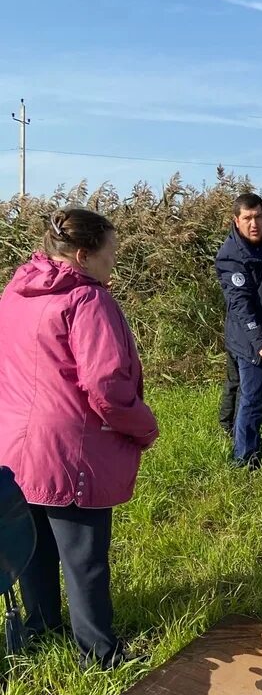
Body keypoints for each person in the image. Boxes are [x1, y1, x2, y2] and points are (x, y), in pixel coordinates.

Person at [0, 208, 158, 669]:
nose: (116, 262)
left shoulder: (15, 292)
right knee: (84, 557)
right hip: (72, 449)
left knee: (33, 546)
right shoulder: (88, 301)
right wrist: (144, 426)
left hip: (16, 446)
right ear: (85, 256)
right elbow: (106, 386)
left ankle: (41, 626)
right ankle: (98, 653)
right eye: (111, 253)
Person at [215, 192, 262, 466]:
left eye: (257, 216)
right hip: (251, 335)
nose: (254, 223)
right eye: (247, 218)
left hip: (249, 332)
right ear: (236, 221)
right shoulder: (230, 257)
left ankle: (229, 431)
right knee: (253, 398)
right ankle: (244, 458)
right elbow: (241, 304)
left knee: (236, 387)